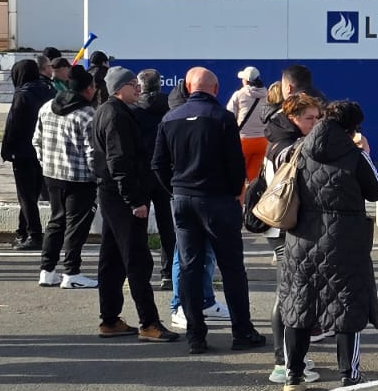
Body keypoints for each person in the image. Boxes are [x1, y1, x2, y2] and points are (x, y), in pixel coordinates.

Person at [154, 67, 265, 354]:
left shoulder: (169, 118)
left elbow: (158, 164)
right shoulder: (223, 119)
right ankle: (242, 331)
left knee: (190, 267)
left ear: (189, 88)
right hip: (218, 200)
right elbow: (236, 165)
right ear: (215, 90)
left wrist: (175, 189)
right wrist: (231, 193)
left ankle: (196, 336)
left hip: (183, 199)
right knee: (231, 267)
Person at [278, 100, 378, 391]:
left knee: (298, 305)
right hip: (344, 240)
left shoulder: (298, 149)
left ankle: (293, 377)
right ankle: (349, 376)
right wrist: (367, 154)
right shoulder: (354, 155)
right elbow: (377, 191)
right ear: (353, 127)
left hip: (301, 239)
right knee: (347, 306)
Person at [90, 67, 178, 341]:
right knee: (137, 259)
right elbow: (119, 161)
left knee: (113, 258)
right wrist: (135, 200)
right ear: (118, 88)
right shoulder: (115, 114)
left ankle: (110, 319)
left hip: (110, 191)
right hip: (122, 195)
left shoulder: (107, 110)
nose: (137, 87)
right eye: (131, 84)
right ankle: (149, 323)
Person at [265, 92, 322, 386]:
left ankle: (291, 357)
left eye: (317, 117)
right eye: (309, 118)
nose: (315, 123)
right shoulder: (285, 144)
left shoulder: (284, 137)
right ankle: (283, 361)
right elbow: (295, 164)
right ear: (292, 118)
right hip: (283, 227)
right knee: (288, 295)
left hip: (289, 226)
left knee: (293, 293)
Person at [33, 64, 100, 289]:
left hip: (52, 175)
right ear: (88, 89)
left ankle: (47, 270)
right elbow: (92, 152)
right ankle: (72, 272)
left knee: (56, 221)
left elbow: (37, 141)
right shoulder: (87, 115)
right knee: (76, 226)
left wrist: (46, 164)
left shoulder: (46, 107)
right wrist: (98, 176)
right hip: (80, 179)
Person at [2, 59, 53, 252]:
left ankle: (34, 234)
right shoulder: (49, 91)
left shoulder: (22, 94)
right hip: (43, 150)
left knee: (25, 195)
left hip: (22, 152)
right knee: (32, 193)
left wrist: (7, 150)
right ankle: (22, 231)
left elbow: (13, 125)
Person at [131, 69, 176, 287]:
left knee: (138, 224)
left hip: (140, 172)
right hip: (164, 171)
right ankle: (167, 272)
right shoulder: (170, 107)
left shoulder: (132, 109)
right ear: (160, 85)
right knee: (167, 223)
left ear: (140, 86)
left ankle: (141, 272)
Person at [226, 66, 271, 187]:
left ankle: (239, 204)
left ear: (246, 81)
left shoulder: (239, 95)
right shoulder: (267, 95)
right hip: (263, 142)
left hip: (243, 141)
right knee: (254, 180)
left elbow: (229, 116)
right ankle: (252, 203)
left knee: (238, 178)